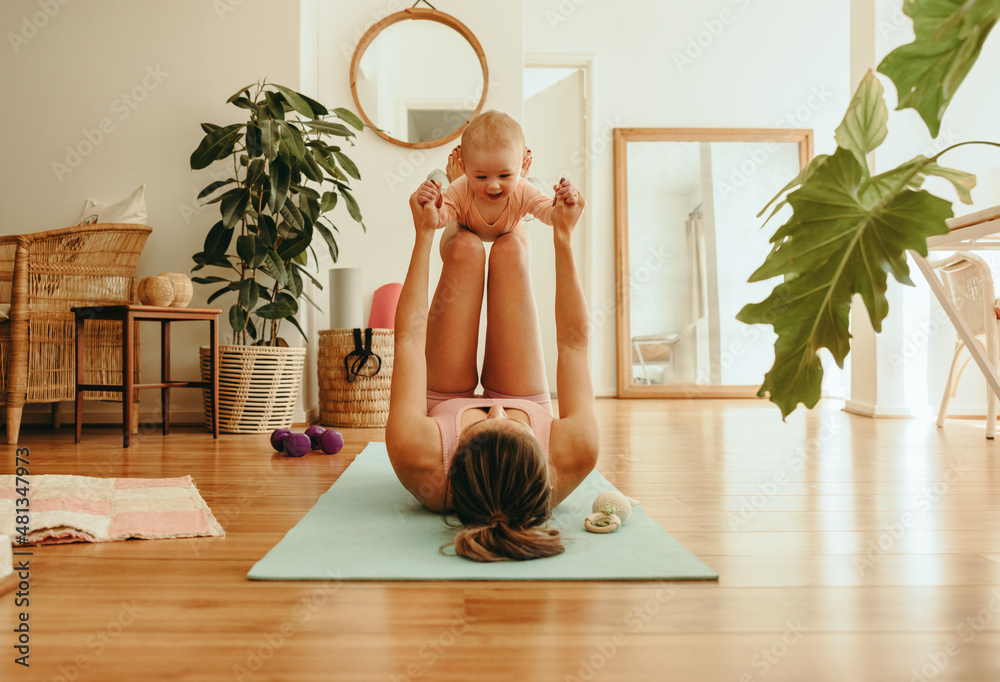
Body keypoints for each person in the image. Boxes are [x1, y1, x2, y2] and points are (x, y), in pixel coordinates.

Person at [385, 149, 599, 563]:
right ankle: (501, 201)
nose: (496, 410)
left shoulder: (418, 454)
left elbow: (408, 341)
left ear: (454, 467)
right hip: (528, 395)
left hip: (444, 402)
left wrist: (424, 235)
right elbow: (573, 344)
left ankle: (466, 206)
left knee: (464, 247)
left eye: (482, 428)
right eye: (513, 425)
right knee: (510, 251)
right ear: (543, 462)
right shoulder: (576, 452)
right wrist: (563, 237)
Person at [415, 110, 579, 255]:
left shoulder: (522, 189)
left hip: (512, 221)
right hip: (465, 223)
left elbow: (549, 214)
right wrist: (433, 204)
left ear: (522, 166)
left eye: (504, 175)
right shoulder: (461, 187)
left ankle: (520, 186)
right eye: (481, 177)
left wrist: (562, 203)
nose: (493, 186)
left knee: (532, 190)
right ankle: (449, 183)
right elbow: (439, 219)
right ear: (464, 169)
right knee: (439, 180)